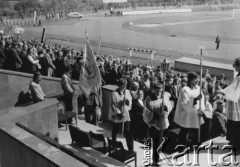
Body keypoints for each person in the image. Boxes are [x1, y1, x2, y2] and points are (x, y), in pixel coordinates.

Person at [174, 72, 205, 146]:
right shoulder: (185, 89)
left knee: (196, 130)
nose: (197, 81)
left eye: (197, 79)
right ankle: (181, 145)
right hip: (187, 114)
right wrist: (195, 99)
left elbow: (202, 100)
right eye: (195, 79)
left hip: (196, 113)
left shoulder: (198, 88)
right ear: (190, 80)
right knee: (185, 130)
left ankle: (193, 144)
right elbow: (185, 102)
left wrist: (201, 109)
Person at [145, 82, 172, 165]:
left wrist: (165, 107)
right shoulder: (149, 98)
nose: (159, 93)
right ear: (154, 90)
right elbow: (151, 107)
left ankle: (157, 158)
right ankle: (155, 161)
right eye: (157, 91)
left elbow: (169, 107)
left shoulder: (164, 97)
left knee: (160, 141)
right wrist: (161, 106)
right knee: (156, 142)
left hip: (162, 122)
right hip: (153, 123)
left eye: (160, 91)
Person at [110, 78, 134, 151]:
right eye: (121, 85)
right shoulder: (114, 93)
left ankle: (130, 149)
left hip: (126, 115)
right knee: (115, 131)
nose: (123, 87)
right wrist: (119, 113)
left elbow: (130, 102)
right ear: (119, 85)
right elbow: (113, 105)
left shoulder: (127, 92)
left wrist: (127, 101)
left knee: (127, 131)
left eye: (124, 85)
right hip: (117, 115)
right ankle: (113, 145)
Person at [222, 58, 240, 150]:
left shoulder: (239, 77)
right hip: (235, 102)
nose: (234, 67)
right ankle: (233, 141)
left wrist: (223, 91)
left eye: (235, 65)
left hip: (236, 104)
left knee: (235, 123)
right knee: (234, 123)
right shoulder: (238, 76)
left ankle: (236, 144)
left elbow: (234, 90)